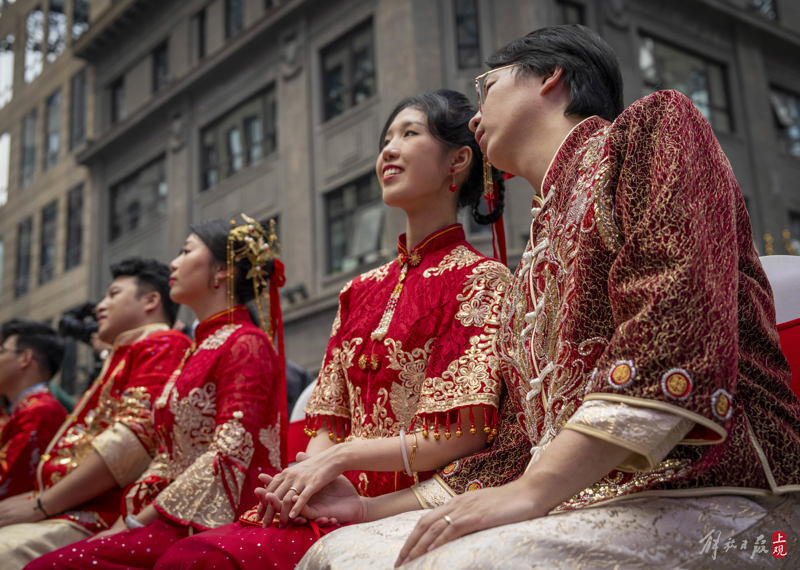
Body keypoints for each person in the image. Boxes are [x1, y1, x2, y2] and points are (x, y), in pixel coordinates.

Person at [297, 25, 800, 569]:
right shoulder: (533, 262)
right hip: (576, 501)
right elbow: (510, 452)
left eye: (486, 86)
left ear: (550, 76)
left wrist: (533, 491)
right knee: (338, 554)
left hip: (723, 496)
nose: (473, 116)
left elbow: (674, 327)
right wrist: (367, 508)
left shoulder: (652, 130)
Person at [151, 89, 526, 569]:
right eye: (385, 138)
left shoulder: (481, 279)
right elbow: (327, 420)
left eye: (409, 134)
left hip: (415, 510)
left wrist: (339, 461)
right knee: (191, 555)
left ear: (458, 160)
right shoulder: (359, 291)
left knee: (204, 561)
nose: (388, 150)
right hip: (334, 502)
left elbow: (462, 435)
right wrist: (312, 476)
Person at [28, 216, 288, 569]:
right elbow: (166, 457)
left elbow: (227, 454)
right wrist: (127, 522)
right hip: (165, 515)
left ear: (223, 271)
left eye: (185, 251)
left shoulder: (246, 343)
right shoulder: (197, 349)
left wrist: (141, 521)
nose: (174, 262)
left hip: (210, 519)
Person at [0, 258, 191, 568]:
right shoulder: (128, 351)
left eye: (113, 294)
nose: (101, 306)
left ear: (151, 301)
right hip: (69, 508)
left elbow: (130, 444)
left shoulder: (164, 344)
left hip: (99, 514)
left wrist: (41, 505)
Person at [0, 320, 67, 501]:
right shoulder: (20, 410)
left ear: (25, 358)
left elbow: (7, 483)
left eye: (2, 351)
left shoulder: (42, 411)